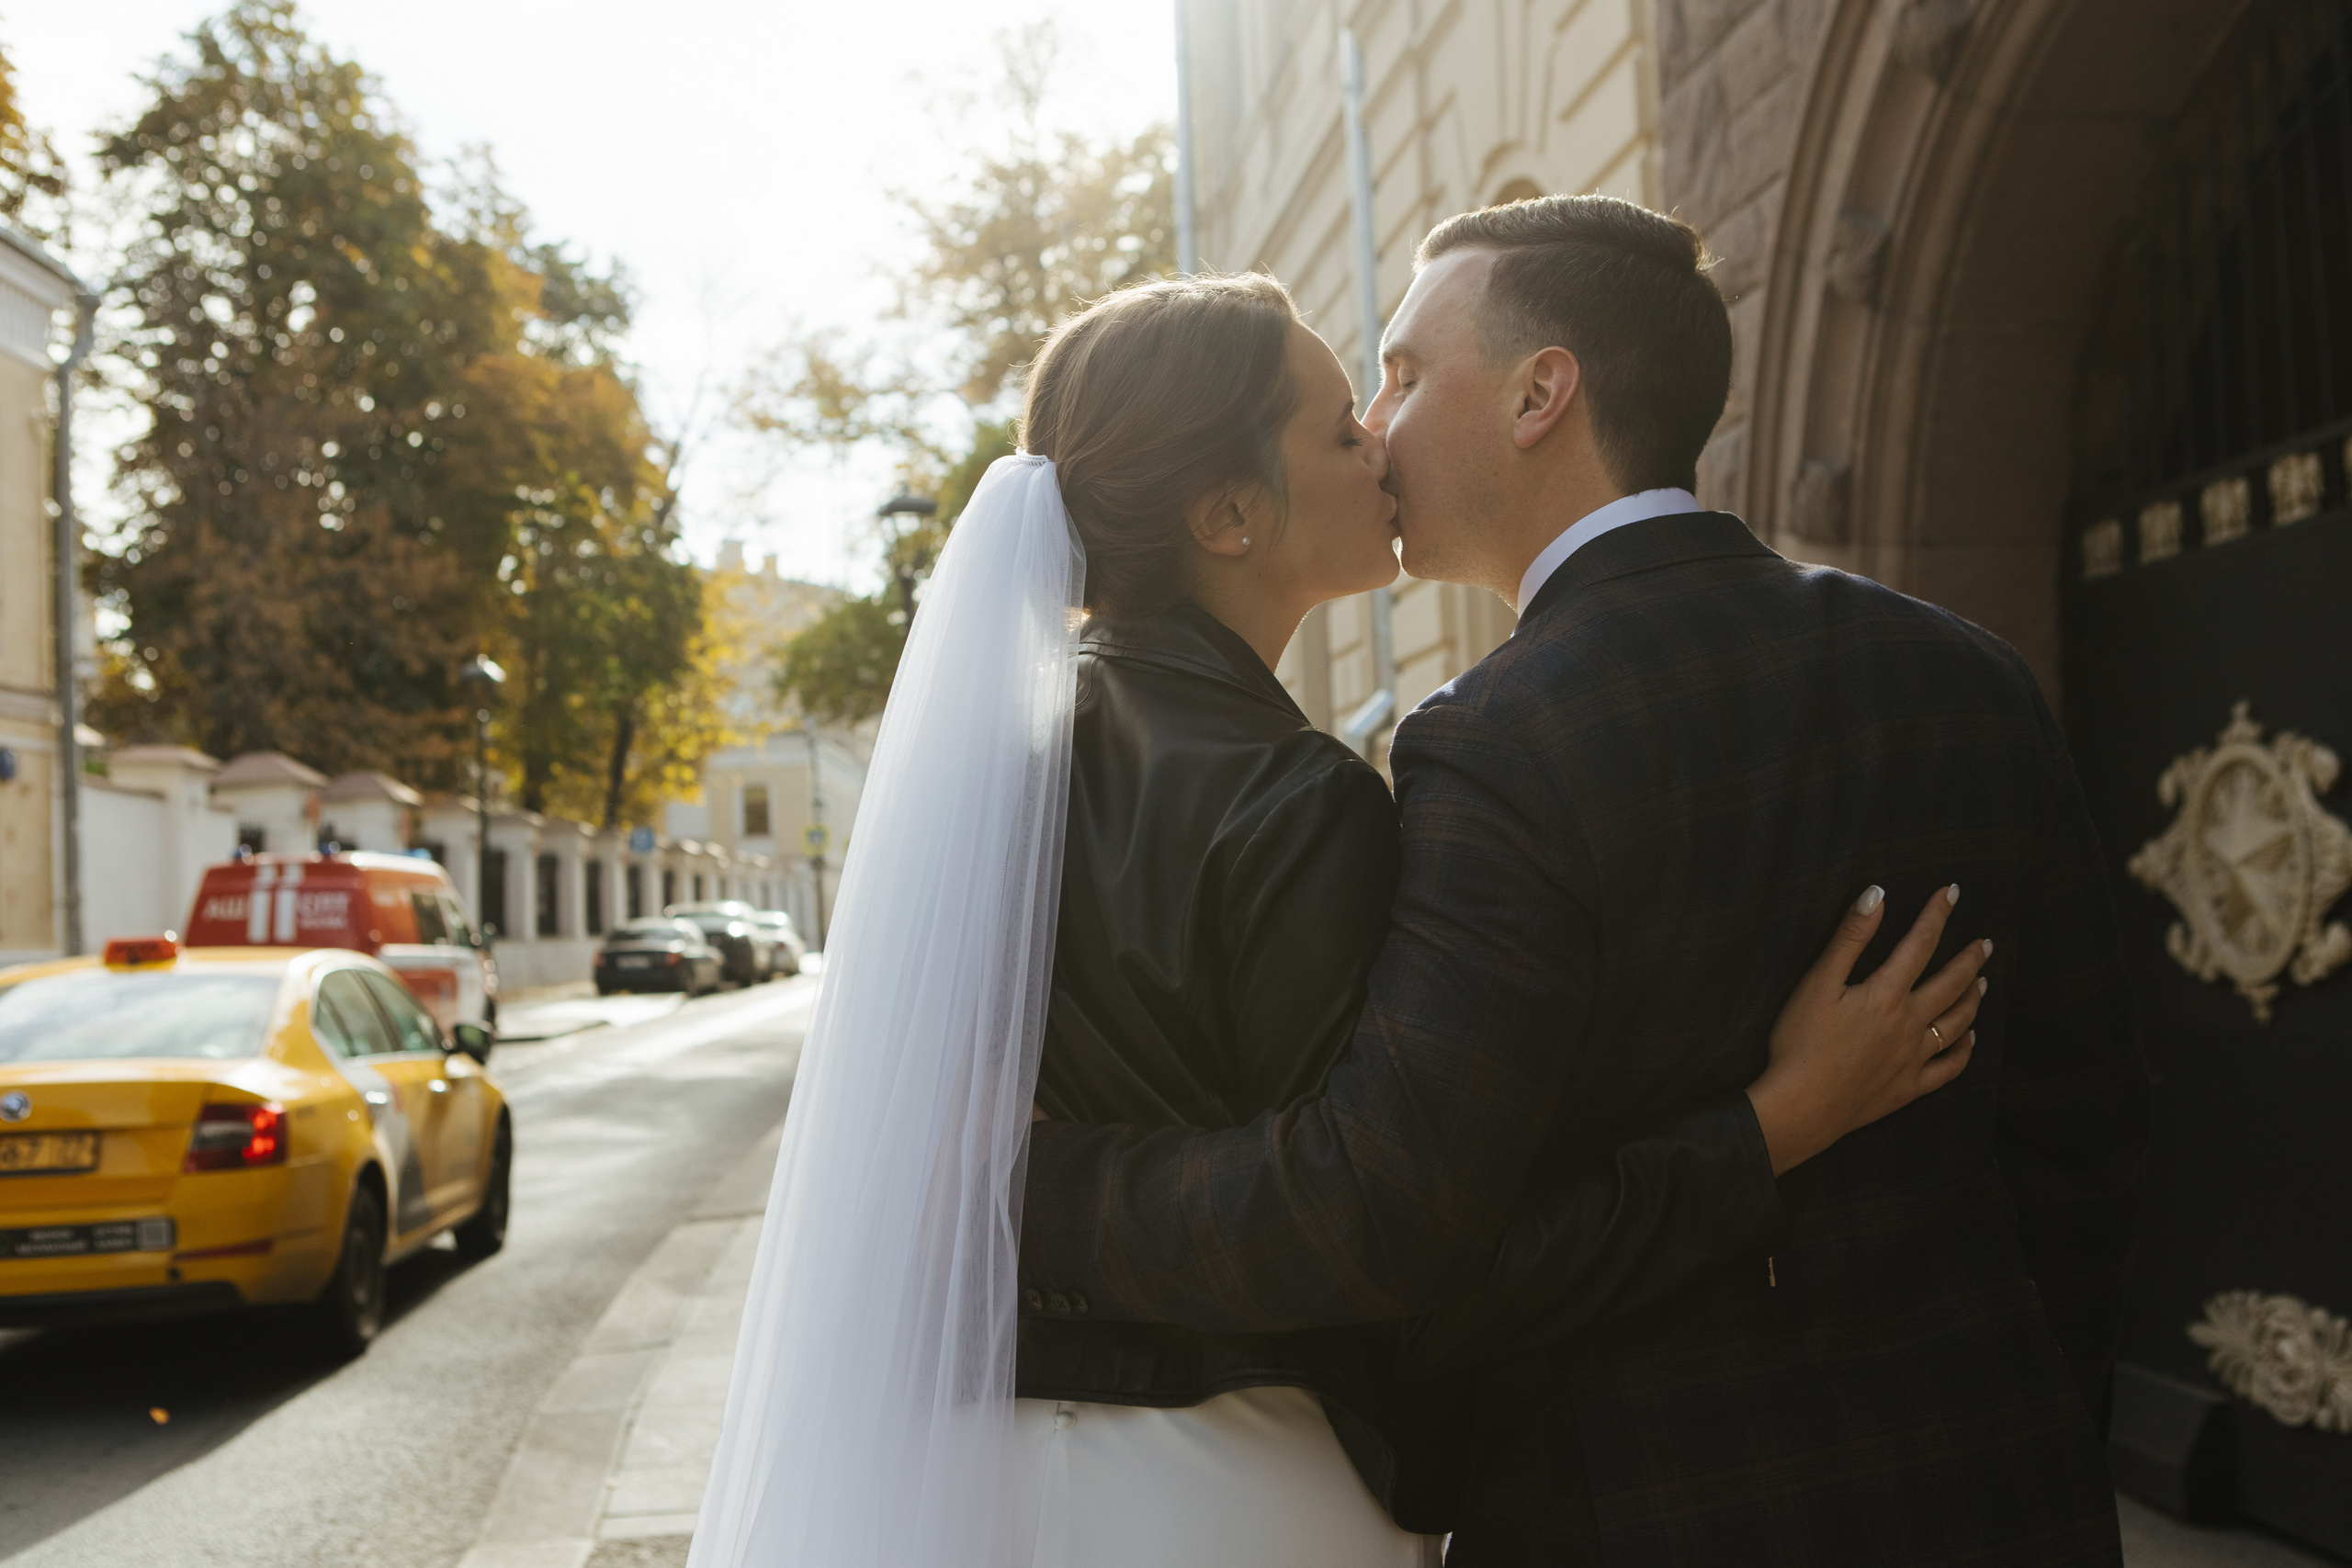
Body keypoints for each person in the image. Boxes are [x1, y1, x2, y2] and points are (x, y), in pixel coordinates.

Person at [687, 261, 1989, 1568]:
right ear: (1231, 515)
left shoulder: (979, 780)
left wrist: (1020, 1191)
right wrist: (1770, 1129)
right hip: (1236, 1482)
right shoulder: (1294, 796)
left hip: (970, 1478)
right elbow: (1400, 1246)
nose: (1376, 436)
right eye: (1337, 423)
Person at [1018, 197, 2151, 1565]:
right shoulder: (1970, 677)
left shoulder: (1491, 744)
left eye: (1405, 373)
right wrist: (2032, 1423)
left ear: (1542, 392)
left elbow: (1423, 1256)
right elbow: (2083, 1142)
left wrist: (1036, 1191)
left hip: (1635, 1511)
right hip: (1995, 1490)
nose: (1377, 424)